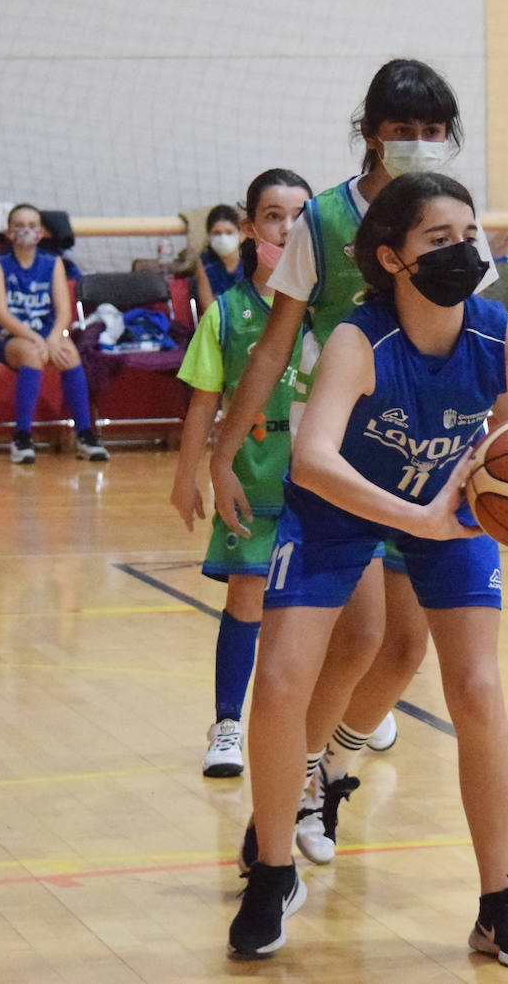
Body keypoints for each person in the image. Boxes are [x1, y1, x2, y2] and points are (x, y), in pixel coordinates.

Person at [227, 171, 508, 965]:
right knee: (281, 678)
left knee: (478, 689)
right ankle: (272, 872)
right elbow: (312, 460)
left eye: (469, 235)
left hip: (451, 512)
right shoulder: (358, 338)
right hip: (335, 511)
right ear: (392, 257)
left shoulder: (502, 335)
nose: (462, 250)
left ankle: (499, 902)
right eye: (438, 240)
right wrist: (413, 516)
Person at [209, 62, 495, 873]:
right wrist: (224, 451)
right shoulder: (324, 220)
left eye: (432, 130)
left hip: (431, 456)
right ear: (371, 131)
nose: (417, 144)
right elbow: (272, 345)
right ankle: (291, 787)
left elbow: (490, 341)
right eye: (401, 130)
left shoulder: (456, 220)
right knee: (361, 632)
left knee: (404, 651)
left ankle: (326, 764)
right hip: (341, 459)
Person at [171, 170, 313, 778]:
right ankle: (228, 722)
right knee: (248, 599)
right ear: (251, 228)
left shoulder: (332, 310)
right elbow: (204, 401)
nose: (287, 227)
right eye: (274, 216)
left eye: (299, 217)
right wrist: (188, 475)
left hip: (321, 476)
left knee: (322, 606)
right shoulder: (227, 313)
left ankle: (333, 717)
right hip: (252, 475)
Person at [0, 203, 109, 463]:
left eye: (32, 226)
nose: (26, 231)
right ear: (9, 232)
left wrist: (52, 339)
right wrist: (37, 339)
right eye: (19, 226)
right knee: (31, 354)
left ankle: (84, 434)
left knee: (69, 353)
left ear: (41, 233)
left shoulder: (53, 263)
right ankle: (22, 438)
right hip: (8, 335)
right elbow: (0, 312)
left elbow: (64, 311)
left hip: (45, 333)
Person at [195, 204, 245, 312]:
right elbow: (208, 308)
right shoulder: (205, 263)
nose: (223, 238)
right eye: (217, 233)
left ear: (241, 235)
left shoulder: (252, 258)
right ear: (208, 236)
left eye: (229, 232)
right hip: (221, 322)